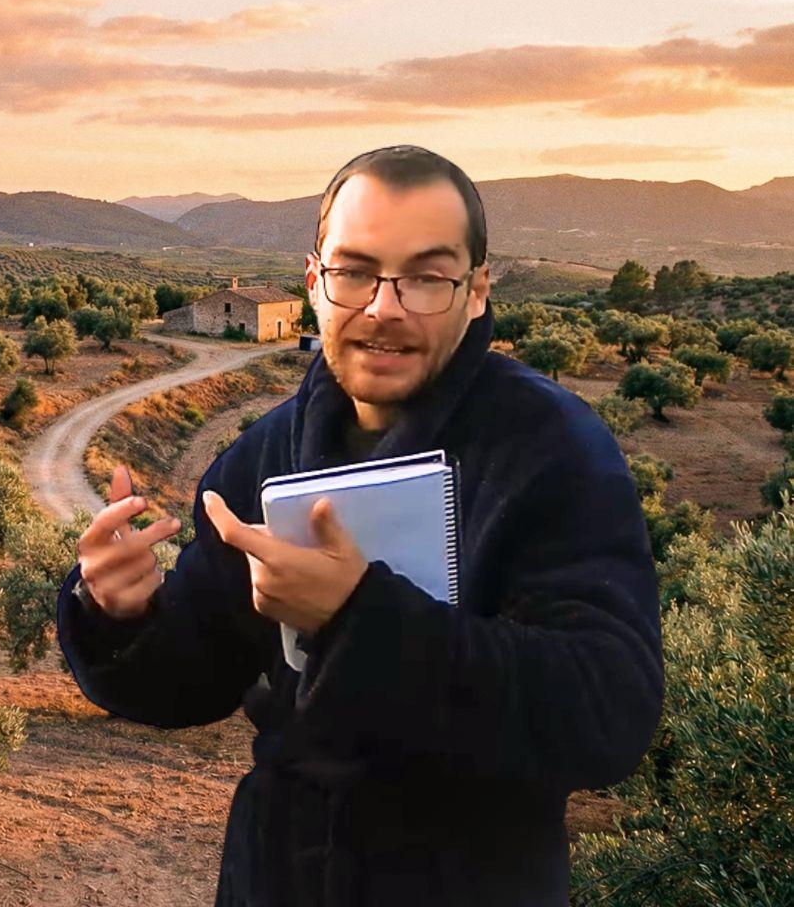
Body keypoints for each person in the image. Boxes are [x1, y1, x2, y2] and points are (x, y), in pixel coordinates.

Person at [56, 145, 663, 906]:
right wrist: (120, 613)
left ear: (476, 291)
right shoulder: (263, 455)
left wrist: (358, 619)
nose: (384, 307)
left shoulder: (553, 450)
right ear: (315, 282)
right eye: (355, 272)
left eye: (426, 278)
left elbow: (609, 712)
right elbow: (190, 681)